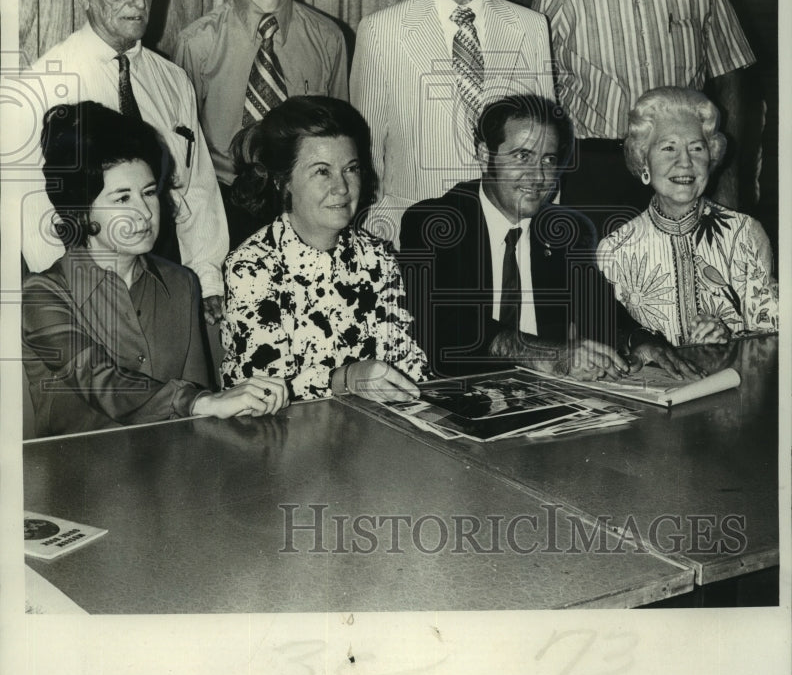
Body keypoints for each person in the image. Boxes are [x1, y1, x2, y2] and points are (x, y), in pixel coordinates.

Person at [22, 102, 288, 438]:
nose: (145, 213)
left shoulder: (181, 283)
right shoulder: (42, 294)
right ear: (81, 210)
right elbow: (99, 381)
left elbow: (198, 422)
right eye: (122, 199)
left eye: (149, 193)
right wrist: (203, 402)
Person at [533, 0, 755, 227]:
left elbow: (730, 71)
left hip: (681, 166)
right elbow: (537, 91)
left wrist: (727, 172)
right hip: (595, 172)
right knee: (600, 284)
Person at [21, 0, 228, 325]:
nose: (138, 0)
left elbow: (197, 188)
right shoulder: (43, 83)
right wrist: (77, 292)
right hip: (85, 287)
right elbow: (29, 208)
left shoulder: (172, 80)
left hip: (165, 276)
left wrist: (206, 278)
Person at [350, 0, 554, 247]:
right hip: (412, 233)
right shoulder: (381, 31)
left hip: (510, 233)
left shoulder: (530, 27)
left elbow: (546, 144)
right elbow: (366, 152)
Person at [399, 94, 629, 381]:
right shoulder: (435, 221)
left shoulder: (566, 230)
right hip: (462, 394)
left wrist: (641, 344)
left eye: (548, 159)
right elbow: (448, 326)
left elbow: (600, 310)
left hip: (549, 398)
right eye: (523, 156)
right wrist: (551, 356)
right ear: (486, 156)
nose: (538, 176)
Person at [173, 0, 348, 248]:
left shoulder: (328, 39)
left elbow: (340, 143)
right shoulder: (199, 43)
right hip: (224, 215)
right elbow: (182, 156)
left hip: (306, 216)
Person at [221, 96, 429, 402]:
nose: (342, 187)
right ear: (283, 182)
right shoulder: (252, 265)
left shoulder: (378, 257)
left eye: (351, 169)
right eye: (322, 171)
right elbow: (265, 391)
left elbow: (406, 363)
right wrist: (346, 378)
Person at [596, 87, 778, 354]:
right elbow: (612, 342)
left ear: (711, 159)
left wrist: (730, 338)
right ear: (643, 161)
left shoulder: (745, 234)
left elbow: (774, 341)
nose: (685, 162)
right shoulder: (614, 250)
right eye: (668, 147)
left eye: (696, 148)